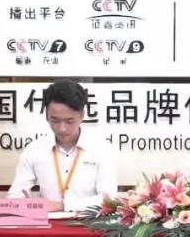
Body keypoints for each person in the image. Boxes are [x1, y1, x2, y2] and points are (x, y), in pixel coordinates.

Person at [7, 79, 117, 212]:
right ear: (47, 115)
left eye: (69, 121)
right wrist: (22, 204)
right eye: (55, 121)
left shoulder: (102, 148)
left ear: (82, 115)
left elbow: (108, 199)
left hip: (89, 222)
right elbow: (15, 195)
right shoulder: (34, 149)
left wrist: (62, 205)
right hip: (46, 223)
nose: (62, 128)